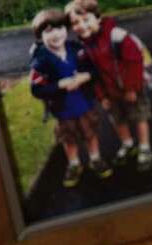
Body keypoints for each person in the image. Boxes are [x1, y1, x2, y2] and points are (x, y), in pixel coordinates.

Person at [65, 0, 152, 171]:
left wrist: (131, 88)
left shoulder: (117, 36)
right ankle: (128, 144)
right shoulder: (84, 46)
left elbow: (135, 62)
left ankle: (144, 147)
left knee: (139, 116)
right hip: (109, 92)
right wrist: (101, 96)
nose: (81, 26)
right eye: (75, 23)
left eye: (85, 19)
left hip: (132, 88)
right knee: (117, 119)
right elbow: (94, 75)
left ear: (97, 18)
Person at [28, 8, 111, 188]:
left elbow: (94, 70)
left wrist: (85, 77)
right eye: (49, 31)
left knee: (90, 133)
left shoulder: (77, 50)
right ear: (40, 36)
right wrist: (59, 85)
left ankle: (95, 158)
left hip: (84, 104)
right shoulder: (40, 61)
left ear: (67, 30)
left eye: (60, 28)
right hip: (62, 110)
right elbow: (36, 89)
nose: (56, 35)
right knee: (69, 138)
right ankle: (74, 164)